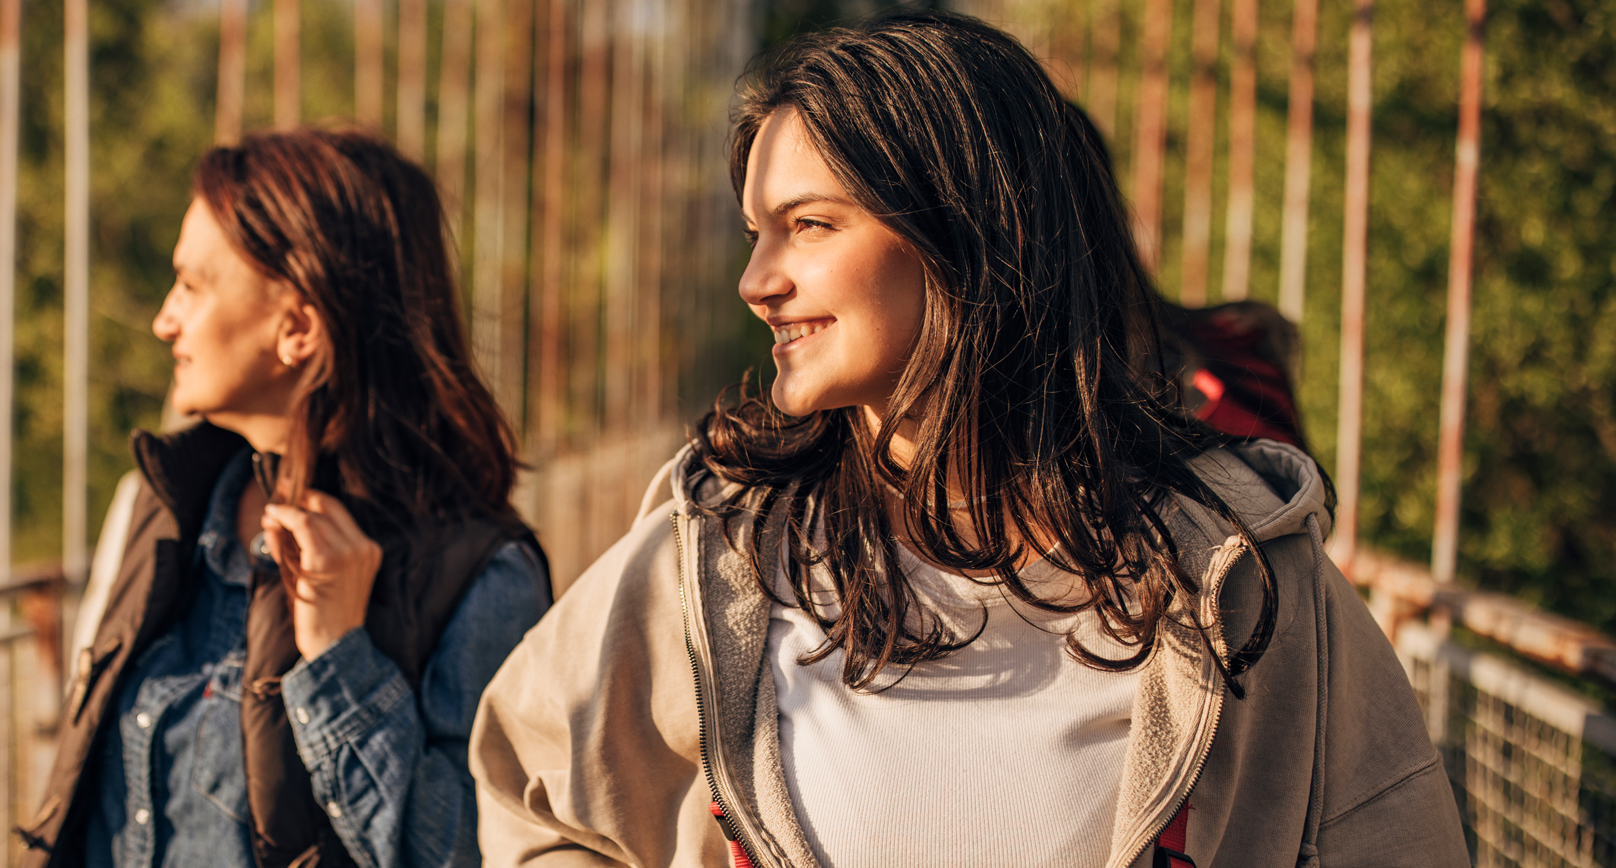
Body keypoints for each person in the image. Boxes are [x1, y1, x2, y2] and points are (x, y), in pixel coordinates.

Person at [470, 12, 1467, 868]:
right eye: (754, 233)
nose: (756, 280)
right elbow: (531, 788)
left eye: (807, 225)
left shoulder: (1241, 577)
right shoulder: (719, 554)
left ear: (961, 233)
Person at [22, 129, 550, 868]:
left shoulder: (481, 577)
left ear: (298, 327)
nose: (163, 320)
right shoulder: (157, 507)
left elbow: (469, 854)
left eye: (193, 286)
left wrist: (341, 657)